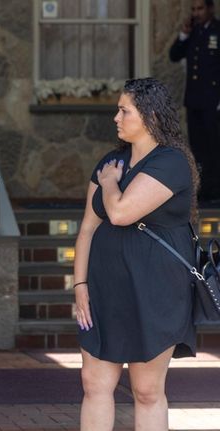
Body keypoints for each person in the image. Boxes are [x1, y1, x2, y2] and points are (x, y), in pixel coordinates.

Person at [74, 77, 198, 430]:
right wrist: (80, 285)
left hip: (155, 291)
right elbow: (87, 228)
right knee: (93, 384)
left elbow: (120, 213)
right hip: (103, 288)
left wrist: (111, 182)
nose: (116, 117)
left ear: (151, 116)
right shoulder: (111, 159)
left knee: (146, 390)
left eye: (124, 110)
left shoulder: (170, 163)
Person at [169, 0, 220, 201]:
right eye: (193, 9)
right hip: (195, 100)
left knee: (214, 146)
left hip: (214, 101)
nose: (196, 13)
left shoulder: (218, 30)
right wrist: (184, 34)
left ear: (210, 9)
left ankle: (216, 189)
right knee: (198, 147)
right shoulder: (193, 32)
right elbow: (174, 55)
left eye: (200, 9)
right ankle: (204, 189)